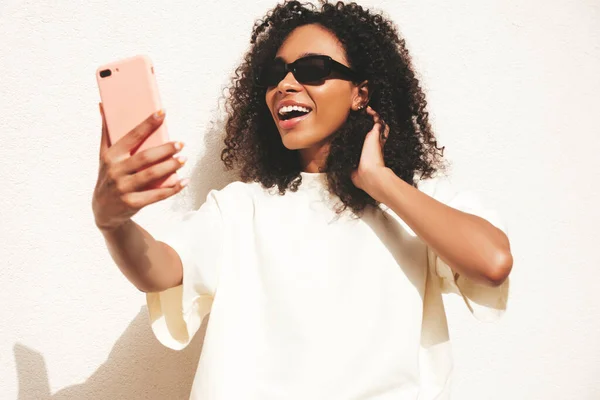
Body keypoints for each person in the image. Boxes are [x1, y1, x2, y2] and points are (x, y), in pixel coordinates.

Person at [92, 1, 513, 399]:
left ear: (360, 94)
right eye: (276, 74)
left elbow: (492, 263)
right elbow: (162, 271)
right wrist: (113, 223)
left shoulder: (414, 202)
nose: (285, 85)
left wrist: (379, 181)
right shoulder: (242, 208)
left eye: (312, 69)